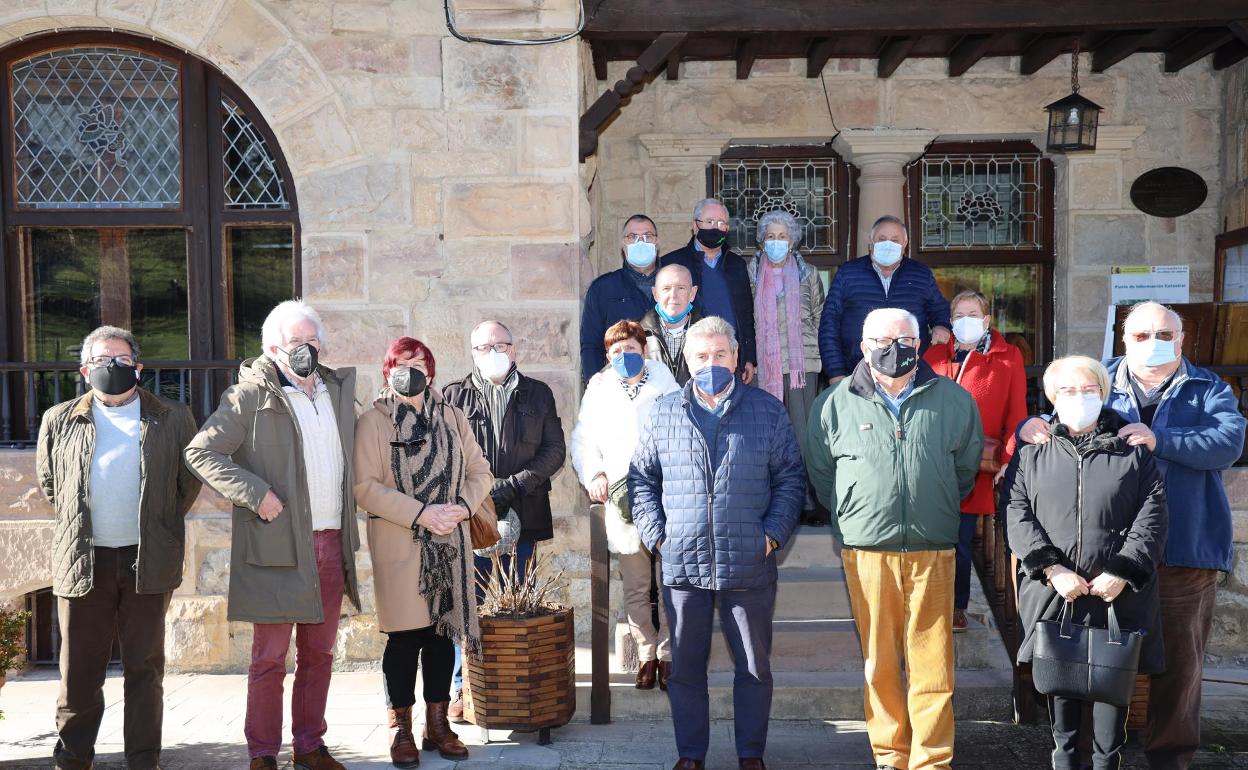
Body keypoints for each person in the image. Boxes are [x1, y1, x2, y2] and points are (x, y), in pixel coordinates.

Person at [1017, 302, 1247, 770]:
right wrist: (1029, 425)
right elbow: (1059, 431)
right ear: (1124, 338)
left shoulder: (1209, 387)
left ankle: (1170, 759)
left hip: (1185, 548)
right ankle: (1085, 758)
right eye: (1141, 334)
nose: (1154, 342)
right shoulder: (1097, 381)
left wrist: (1162, 440)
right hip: (1103, 561)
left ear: (1182, 340)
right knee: (1086, 660)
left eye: (1165, 334)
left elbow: (1229, 443)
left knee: (1179, 667)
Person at [184, 300, 360, 770]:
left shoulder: (336, 392)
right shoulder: (248, 396)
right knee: (268, 658)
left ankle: (310, 747)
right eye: (295, 341)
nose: (306, 349)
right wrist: (256, 492)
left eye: (312, 340)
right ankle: (262, 754)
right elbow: (201, 452)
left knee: (320, 654)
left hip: (331, 542)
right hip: (281, 545)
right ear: (271, 348)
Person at [806, 308, 982, 770]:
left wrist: (933, 500)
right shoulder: (833, 403)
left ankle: (932, 759)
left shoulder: (954, 399)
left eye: (904, 339)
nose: (893, 348)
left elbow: (964, 471)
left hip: (933, 545)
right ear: (863, 347)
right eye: (882, 340)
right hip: (867, 548)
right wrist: (856, 514)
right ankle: (890, 755)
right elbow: (823, 475)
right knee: (880, 662)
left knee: (933, 662)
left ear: (919, 344)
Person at [630, 316, 805, 770]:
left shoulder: (766, 410)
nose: (712, 363)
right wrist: (658, 535)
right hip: (683, 565)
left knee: (752, 667)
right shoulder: (663, 412)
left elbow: (790, 478)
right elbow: (642, 481)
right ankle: (691, 755)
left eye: (720, 355)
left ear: (736, 356)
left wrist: (771, 536)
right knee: (685, 671)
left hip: (748, 563)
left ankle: (751, 755)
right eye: (702, 356)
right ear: (687, 361)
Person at [36, 326, 201, 770]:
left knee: (145, 669)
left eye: (122, 359)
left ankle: (144, 758)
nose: (113, 366)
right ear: (84, 369)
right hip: (83, 560)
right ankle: (73, 757)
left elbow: (186, 486)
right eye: (102, 358)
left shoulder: (173, 416)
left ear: (139, 368)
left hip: (147, 559)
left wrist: (157, 524)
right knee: (79, 671)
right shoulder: (60, 418)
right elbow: (52, 485)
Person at [1006, 355, 1168, 770]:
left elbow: (1152, 517)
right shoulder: (1030, 455)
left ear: (1104, 392)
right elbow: (1016, 515)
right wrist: (1052, 570)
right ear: (1052, 398)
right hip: (1058, 594)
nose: (1080, 397)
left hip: (1117, 596)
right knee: (1062, 701)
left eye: (1089, 389)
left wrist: (1121, 571)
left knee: (1113, 699)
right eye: (1068, 390)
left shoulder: (1131, 452)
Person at [353, 336, 495, 766]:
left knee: (440, 637)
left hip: (450, 542)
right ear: (387, 370)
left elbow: (480, 470)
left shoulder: (453, 416)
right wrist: (421, 513)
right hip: (402, 542)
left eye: (419, 361)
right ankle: (401, 730)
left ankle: (438, 726)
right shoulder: (373, 422)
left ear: (431, 370)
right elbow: (365, 487)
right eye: (402, 361)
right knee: (403, 640)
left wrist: (461, 508)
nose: (411, 368)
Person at [442, 320, 566, 720]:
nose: (492, 351)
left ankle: (516, 681)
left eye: (500, 344)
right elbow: (445, 456)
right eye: (483, 346)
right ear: (472, 353)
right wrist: (478, 493)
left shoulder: (539, 394)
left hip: (524, 506)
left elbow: (554, 451)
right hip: (472, 515)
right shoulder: (452, 396)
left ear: (514, 350)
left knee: (518, 600)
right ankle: (464, 687)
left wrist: (510, 487)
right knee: (470, 602)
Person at [571, 320, 680, 689]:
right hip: (622, 498)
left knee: (669, 582)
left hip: (665, 495)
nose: (624, 356)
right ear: (608, 356)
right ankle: (646, 655)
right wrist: (595, 474)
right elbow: (584, 438)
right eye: (616, 352)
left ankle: (668, 656)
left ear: (644, 350)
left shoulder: (665, 383)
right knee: (635, 584)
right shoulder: (599, 389)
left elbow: (683, 429)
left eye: (631, 349)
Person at [921, 290, 1027, 631]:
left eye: (972, 313)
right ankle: (927, 603)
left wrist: (1008, 459)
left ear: (986, 320)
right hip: (932, 462)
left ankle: (956, 606)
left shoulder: (1008, 357)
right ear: (950, 322)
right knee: (931, 538)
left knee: (961, 540)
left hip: (976, 464)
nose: (964, 320)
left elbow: (1017, 413)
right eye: (958, 314)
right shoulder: (934, 355)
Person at [744, 209, 826, 523]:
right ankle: (768, 501)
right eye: (771, 236)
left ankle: (806, 503)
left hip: (800, 366)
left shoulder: (809, 274)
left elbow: (819, 318)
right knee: (765, 435)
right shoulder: (749, 274)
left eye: (783, 236)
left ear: (792, 241)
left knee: (802, 436)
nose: (777, 241)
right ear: (762, 241)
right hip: (763, 368)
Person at [817, 215, 951, 382]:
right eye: (882, 239)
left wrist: (942, 325)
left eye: (895, 240)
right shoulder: (848, 274)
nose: (888, 244)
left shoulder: (921, 274)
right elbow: (829, 325)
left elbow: (939, 309)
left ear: (904, 245)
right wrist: (835, 372)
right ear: (871, 245)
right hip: (858, 372)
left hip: (910, 372)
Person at [660, 198, 757, 383]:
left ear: (727, 229)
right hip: (688, 362)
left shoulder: (737, 265)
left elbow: (746, 315)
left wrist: (749, 358)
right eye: (710, 222)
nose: (715, 228)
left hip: (729, 360)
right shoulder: (672, 263)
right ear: (695, 226)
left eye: (721, 223)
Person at [580, 214, 663, 382]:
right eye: (633, 237)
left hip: (666, 387)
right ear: (623, 245)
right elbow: (591, 346)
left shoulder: (675, 284)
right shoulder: (603, 288)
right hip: (620, 387)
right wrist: (597, 385)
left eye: (648, 236)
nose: (641, 242)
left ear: (657, 243)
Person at [639, 263, 702, 385]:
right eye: (666, 288)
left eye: (681, 288)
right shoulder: (634, 334)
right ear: (655, 294)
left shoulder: (712, 335)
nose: (673, 295)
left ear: (692, 293)